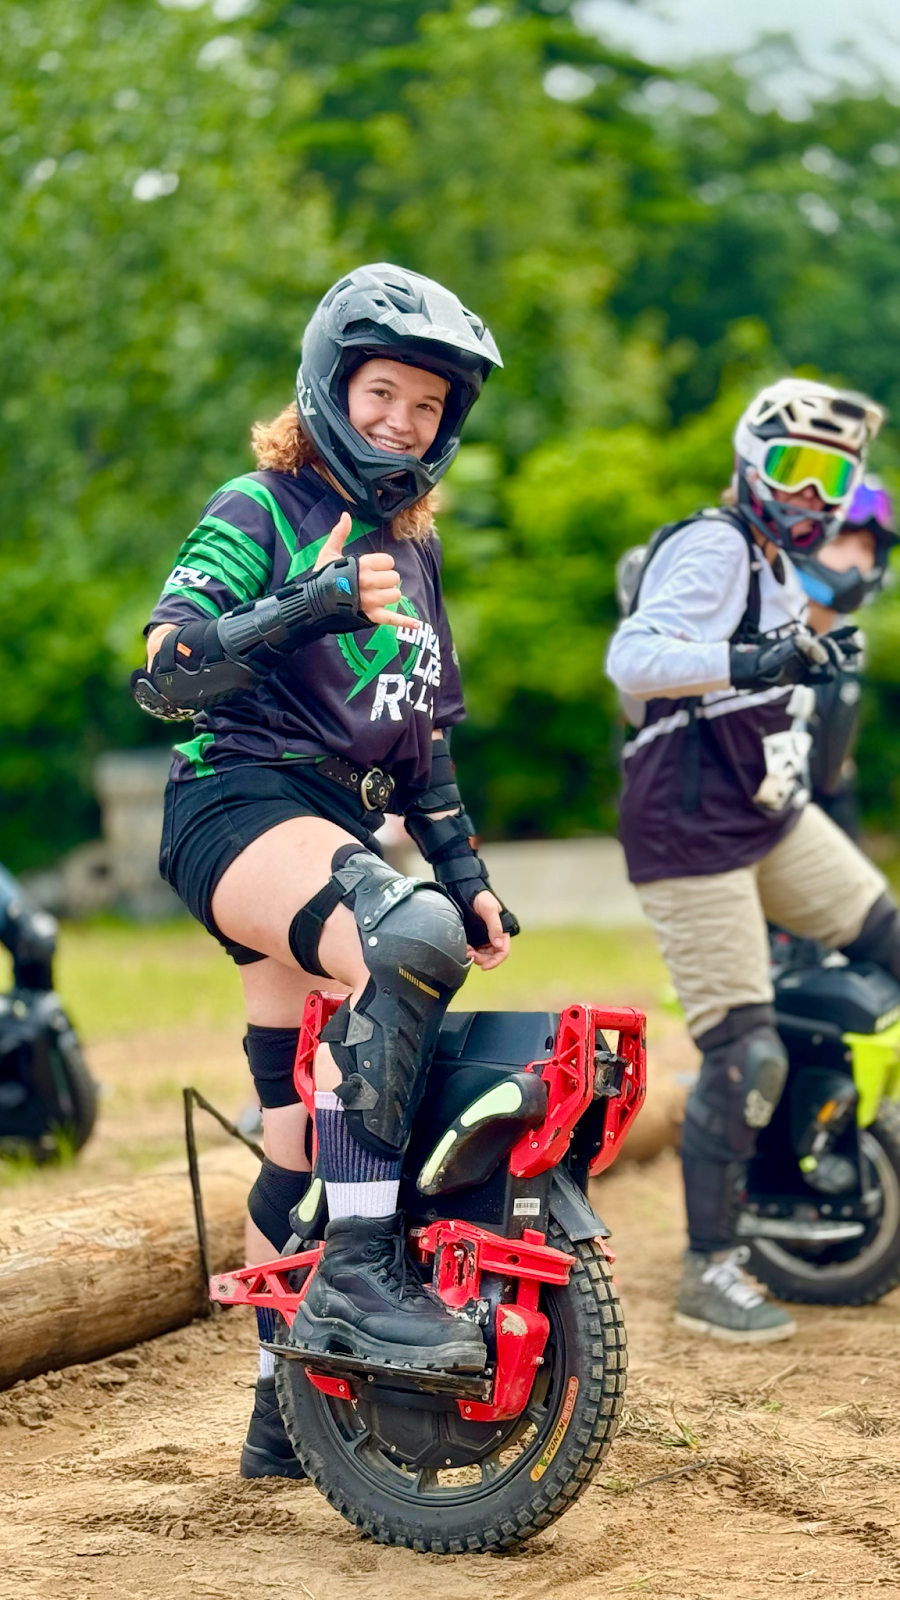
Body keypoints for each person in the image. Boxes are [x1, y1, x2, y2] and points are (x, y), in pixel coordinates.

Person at [132, 264, 517, 1475]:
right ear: (330, 387)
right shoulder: (261, 506)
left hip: (338, 821)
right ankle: (358, 1275)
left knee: (299, 1135)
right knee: (400, 943)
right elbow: (163, 669)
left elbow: (423, 741)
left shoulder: (419, 554)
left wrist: (466, 870)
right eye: (381, 394)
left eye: (426, 408)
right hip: (235, 801)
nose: (402, 424)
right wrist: (305, 604)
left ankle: (276, 1417)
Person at [606, 377, 900, 1344]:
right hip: (691, 830)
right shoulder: (717, 542)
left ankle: (810, 1151)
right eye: (793, 468)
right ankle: (709, 1269)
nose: (813, 494)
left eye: (833, 477)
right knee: (745, 1051)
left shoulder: (777, 560)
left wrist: (796, 664)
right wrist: (759, 663)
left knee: (889, 944)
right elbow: (633, 661)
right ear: (749, 458)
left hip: (769, 816)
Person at [793, 477, 898, 838]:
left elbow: (836, 760)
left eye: (866, 545)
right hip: (748, 824)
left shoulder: (851, 644)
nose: (854, 559)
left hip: (824, 812)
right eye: (839, 540)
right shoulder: (758, 632)